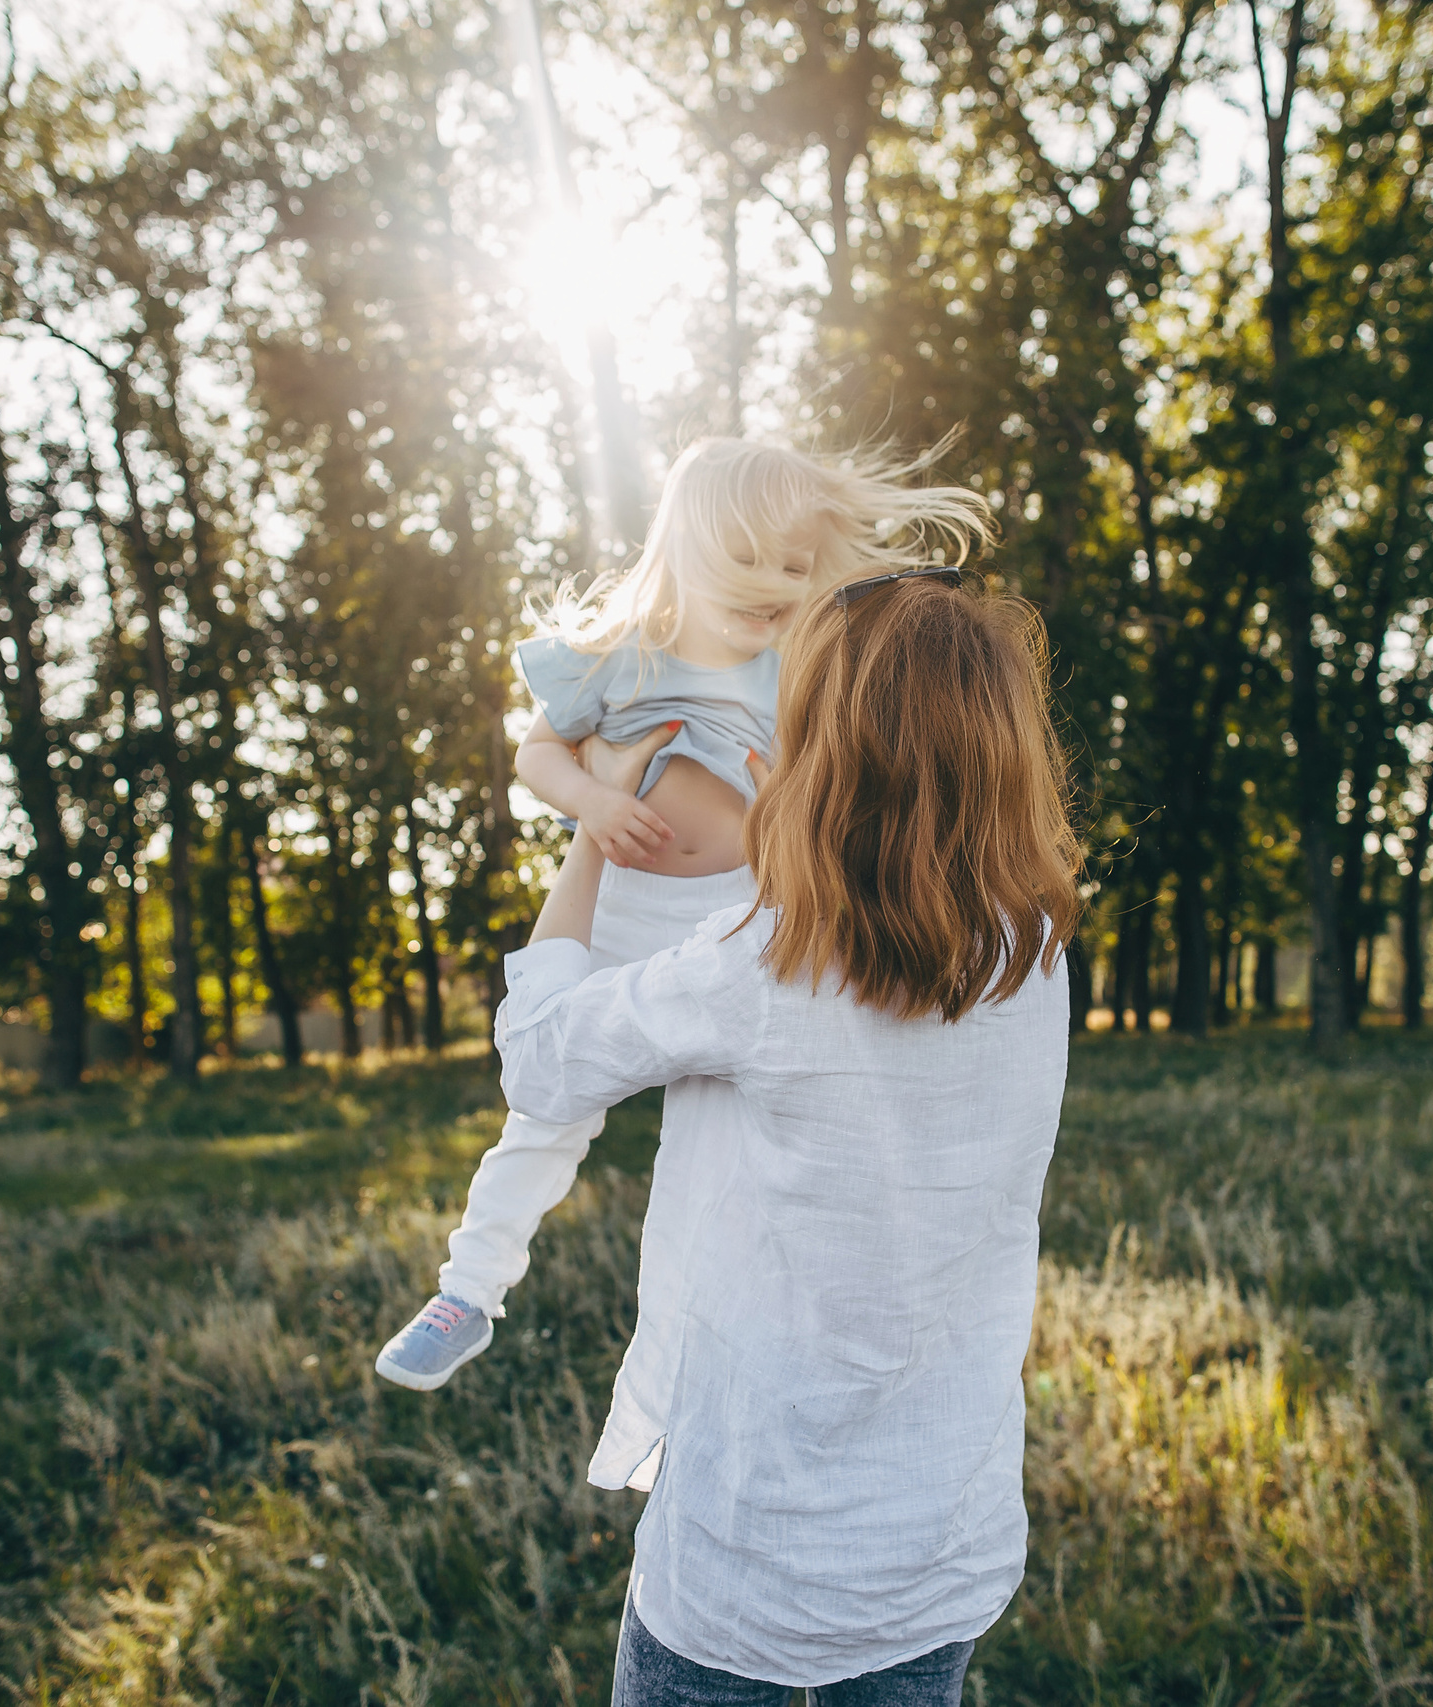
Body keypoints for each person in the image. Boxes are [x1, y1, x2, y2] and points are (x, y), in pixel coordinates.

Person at [493, 568, 1081, 1703]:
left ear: (811, 750)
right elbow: (892, 917)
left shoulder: (759, 964)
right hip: (938, 1533)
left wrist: (591, 821)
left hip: (750, 1551)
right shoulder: (1035, 953)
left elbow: (542, 1057)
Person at [376, 438, 993, 1390]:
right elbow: (536, 757)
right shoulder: (619, 656)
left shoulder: (798, 669)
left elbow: (828, 789)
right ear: (688, 545)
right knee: (549, 1106)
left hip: (744, 911)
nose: (774, 583)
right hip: (626, 901)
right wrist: (594, 803)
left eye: (793, 565)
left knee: (747, 1120)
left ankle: (761, 1320)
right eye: (749, 559)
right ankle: (471, 1288)